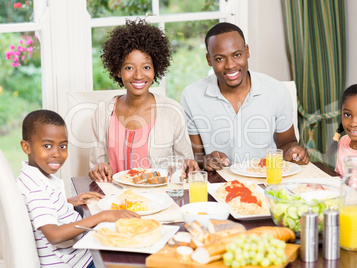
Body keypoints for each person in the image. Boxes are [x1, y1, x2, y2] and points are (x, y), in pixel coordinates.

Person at [17, 109, 139, 267]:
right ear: (26, 147)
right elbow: (54, 235)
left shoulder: (32, 178)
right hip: (77, 263)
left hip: (79, 255)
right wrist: (104, 216)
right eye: (47, 146)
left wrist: (68, 202)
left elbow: (43, 208)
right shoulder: (35, 188)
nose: (57, 154)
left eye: (62, 146)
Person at [180, 22, 309, 171]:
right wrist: (207, 160)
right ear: (209, 60)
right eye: (220, 58)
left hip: (268, 180)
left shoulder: (277, 91)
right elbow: (197, 156)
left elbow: (287, 143)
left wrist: (293, 152)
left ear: (247, 51)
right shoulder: (191, 96)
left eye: (237, 55)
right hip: (220, 183)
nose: (230, 65)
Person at [89, 19, 198, 182]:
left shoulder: (172, 111)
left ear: (156, 69)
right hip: (116, 199)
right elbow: (96, 167)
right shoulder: (104, 112)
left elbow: (185, 166)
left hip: (160, 198)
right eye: (129, 68)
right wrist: (98, 170)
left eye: (146, 67)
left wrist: (188, 167)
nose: (139, 75)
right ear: (118, 71)